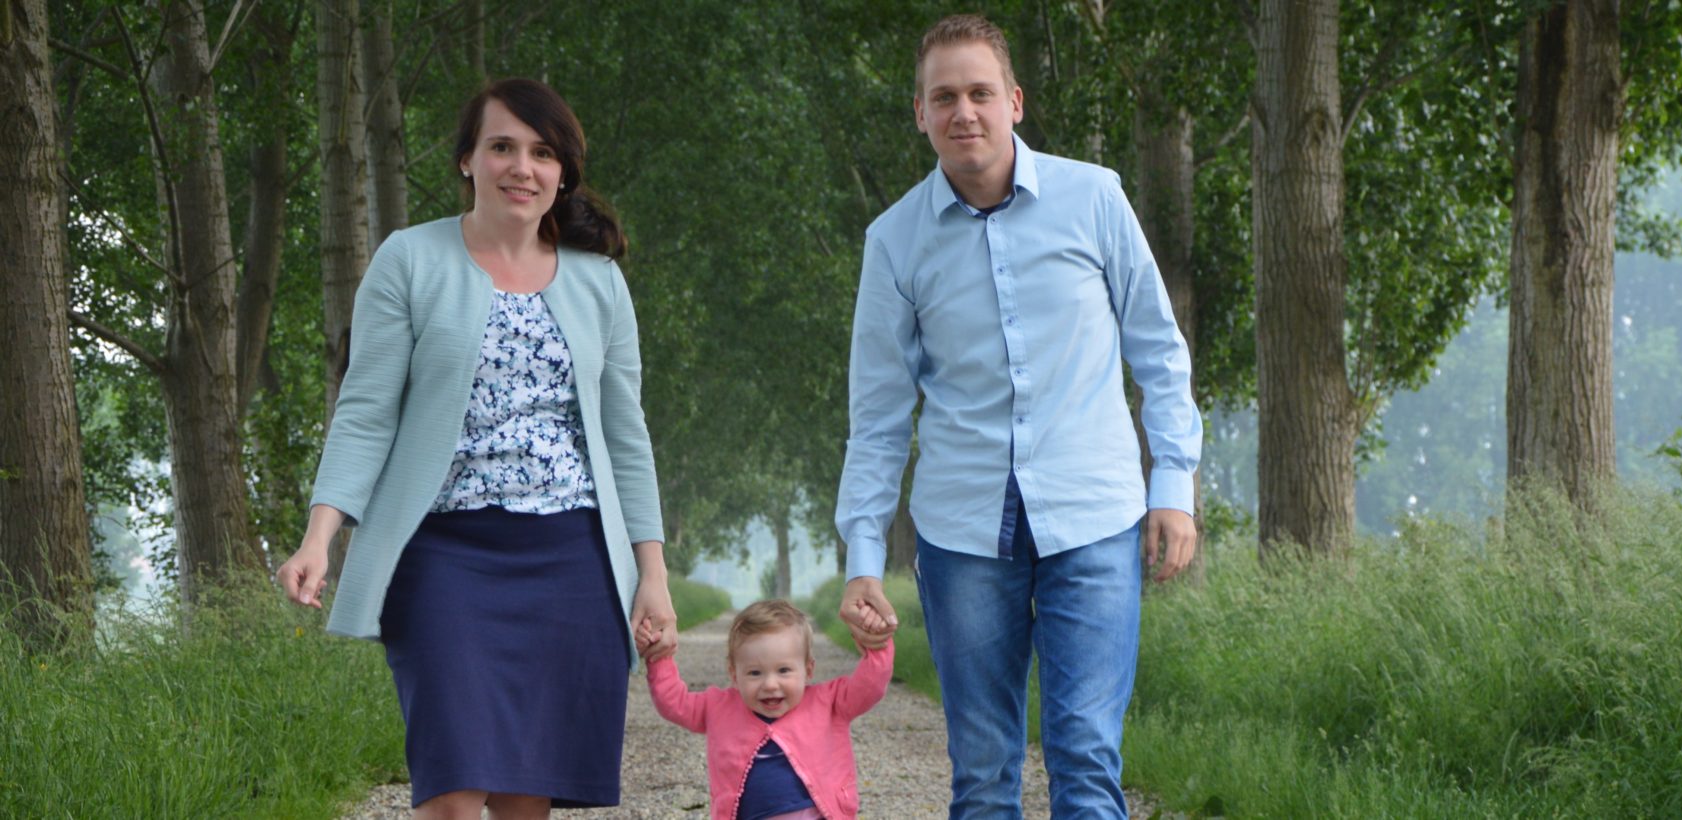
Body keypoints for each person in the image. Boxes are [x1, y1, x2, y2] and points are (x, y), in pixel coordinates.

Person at [833, 13, 1204, 819]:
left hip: (1095, 516)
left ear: (1016, 102)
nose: (964, 111)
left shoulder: (1094, 197)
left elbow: (1158, 349)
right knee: (983, 771)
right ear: (920, 113)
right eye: (944, 97)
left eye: (980, 92)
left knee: (1087, 757)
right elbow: (879, 413)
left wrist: (1173, 485)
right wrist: (863, 553)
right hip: (963, 533)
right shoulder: (894, 241)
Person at [274, 78, 676, 819]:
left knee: (524, 799)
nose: (522, 167)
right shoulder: (409, 259)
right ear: (467, 159)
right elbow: (365, 413)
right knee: (452, 792)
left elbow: (627, 437)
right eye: (502, 147)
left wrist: (651, 574)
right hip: (443, 555)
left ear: (563, 172)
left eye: (542, 153)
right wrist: (319, 537)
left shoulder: (600, 283)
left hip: (571, 557)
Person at [642, 600, 893, 820]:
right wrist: (660, 657)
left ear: (808, 669)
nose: (770, 684)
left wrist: (876, 644)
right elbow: (673, 702)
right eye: (754, 673)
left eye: (784, 670)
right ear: (734, 674)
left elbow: (870, 685)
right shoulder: (718, 707)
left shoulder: (830, 702)